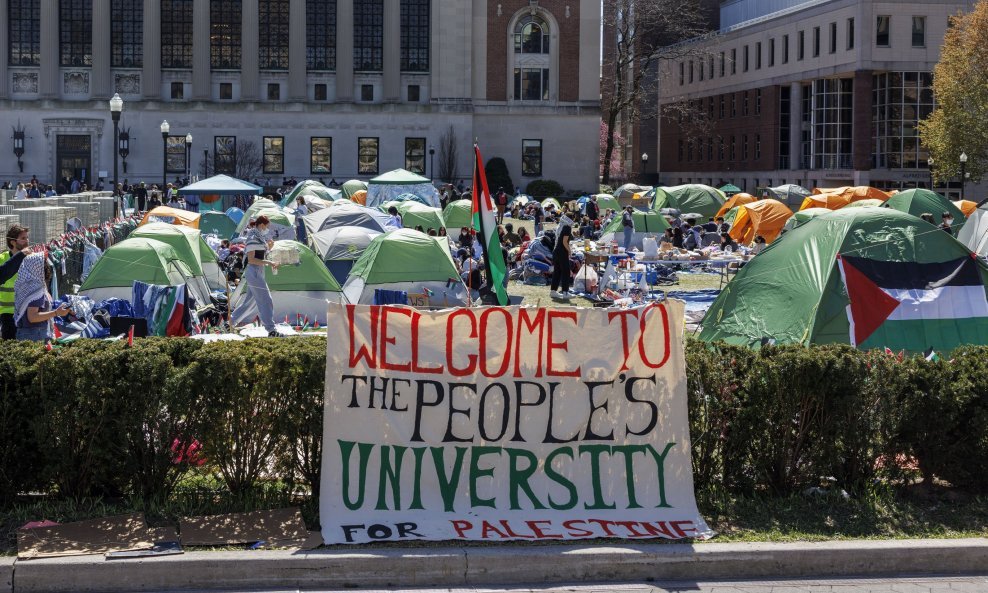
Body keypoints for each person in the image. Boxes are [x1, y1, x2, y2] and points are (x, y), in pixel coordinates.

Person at [13, 253, 69, 343]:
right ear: (37, 268)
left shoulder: (25, 287)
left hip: (27, 334)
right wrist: (56, 313)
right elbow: (32, 317)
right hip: (35, 336)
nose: (47, 267)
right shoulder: (35, 289)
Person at [244, 216, 280, 337]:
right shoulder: (253, 237)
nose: (268, 229)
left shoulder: (259, 237)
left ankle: (230, 323)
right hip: (254, 271)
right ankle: (271, 329)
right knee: (266, 300)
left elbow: (260, 255)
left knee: (248, 301)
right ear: (262, 225)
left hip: (258, 271)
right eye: (267, 226)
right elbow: (251, 259)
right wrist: (269, 263)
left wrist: (269, 248)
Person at [0, 225, 33, 340]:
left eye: (27, 238)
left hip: (27, 312)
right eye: (23, 238)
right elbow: (4, 273)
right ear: (13, 242)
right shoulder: (2, 258)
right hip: (7, 314)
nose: (27, 241)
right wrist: (21, 256)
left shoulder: (32, 259)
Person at [550, 224, 573, 299]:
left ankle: (553, 291)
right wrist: (569, 250)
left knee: (557, 272)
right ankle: (565, 292)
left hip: (556, 251)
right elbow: (564, 241)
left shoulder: (561, 226)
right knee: (566, 271)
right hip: (562, 252)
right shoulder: (567, 227)